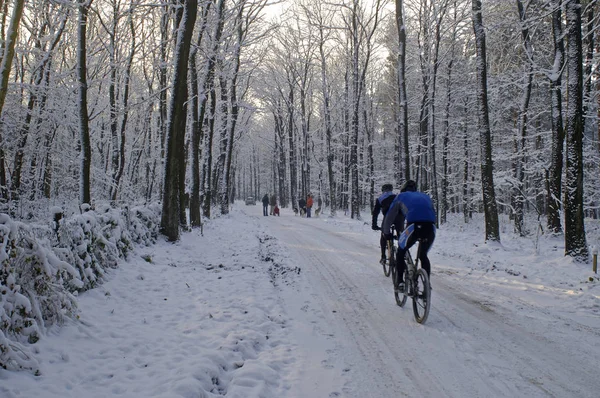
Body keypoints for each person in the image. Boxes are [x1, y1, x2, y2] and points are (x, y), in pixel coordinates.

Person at [382, 180, 436, 292]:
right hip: (431, 227)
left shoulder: (400, 197)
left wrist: (386, 233)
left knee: (401, 251)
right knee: (423, 255)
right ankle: (427, 285)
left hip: (414, 227)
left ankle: (400, 282)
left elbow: (389, 217)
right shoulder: (425, 196)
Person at [372, 183, 399, 265]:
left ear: (382, 190)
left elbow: (375, 213)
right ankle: (403, 254)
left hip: (388, 218)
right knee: (400, 234)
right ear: (391, 189)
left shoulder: (380, 198)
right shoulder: (397, 196)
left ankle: (383, 257)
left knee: (384, 235)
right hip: (399, 217)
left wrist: (374, 225)